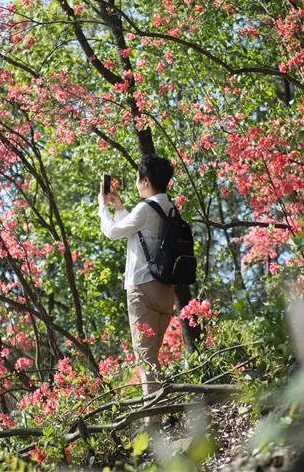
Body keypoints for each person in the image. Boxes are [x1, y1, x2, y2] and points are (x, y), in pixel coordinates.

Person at [98, 154, 177, 426]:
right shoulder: (170, 208)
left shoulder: (145, 209)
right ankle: (163, 412)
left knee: (145, 358)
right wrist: (120, 207)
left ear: (145, 180)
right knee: (152, 356)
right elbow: (136, 232)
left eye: (138, 179)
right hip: (166, 294)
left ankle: (153, 423)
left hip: (142, 292)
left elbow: (113, 232)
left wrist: (102, 206)